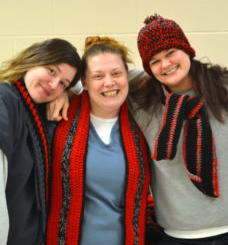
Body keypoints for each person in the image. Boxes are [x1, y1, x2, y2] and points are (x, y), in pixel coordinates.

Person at [127, 14, 228, 245]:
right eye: (154, 61)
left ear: (187, 50)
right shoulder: (142, 102)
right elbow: (103, 78)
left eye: (170, 52)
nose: (165, 64)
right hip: (178, 236)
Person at [46, 36, 152, 245]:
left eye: (116, 73)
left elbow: (155, 76)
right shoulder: (59, 117)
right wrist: (62, 90)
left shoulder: (143, 118)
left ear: (127, 76)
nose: (109, 82)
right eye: (98, 76)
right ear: (84, 82)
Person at [0, 38, 81, 245]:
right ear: (34, 59)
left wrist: (66, 93)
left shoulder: (39, 112)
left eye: (63, 82)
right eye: (51, 71)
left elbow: (90, 83)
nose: (54, 84)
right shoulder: (6, 100)